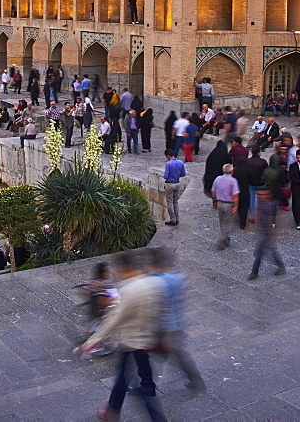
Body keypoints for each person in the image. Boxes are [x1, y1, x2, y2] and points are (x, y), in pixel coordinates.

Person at [80, 250, 167, 422]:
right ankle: (112, 409)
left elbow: (113, 320)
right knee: (135, 379)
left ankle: (119, 411)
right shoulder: (149, 283)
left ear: (122, 268)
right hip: (145, 341)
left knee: (129, 380)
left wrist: (92, 341)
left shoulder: (126, 290)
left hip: (130, 342)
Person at [150, 248, 205, 393]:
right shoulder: (178, 277)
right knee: (177, 353)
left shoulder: (157, 281)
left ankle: (146, 383)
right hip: (177, 324)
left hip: (162, 327)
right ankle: (195, 379)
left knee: (150, 354)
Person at [247, 187, 286, 279]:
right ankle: (281, 266)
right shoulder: (261, 204)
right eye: (259, 195)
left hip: (268, 233)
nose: (260, 196)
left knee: (260, 252)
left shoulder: (271, 205)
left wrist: (280, 231)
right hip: (263, 232)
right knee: (270, 251)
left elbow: (278, 218)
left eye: (262, 194)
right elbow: (258, 215)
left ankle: (254, 272)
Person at [210, 163, 240, 250]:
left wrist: (214, 202)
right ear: (232, 171)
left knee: (222, 221)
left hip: (220, 203)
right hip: (229, 204)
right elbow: (235, 195)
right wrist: (236, 205)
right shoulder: (233, 181)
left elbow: (213, 192)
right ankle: (222, 239)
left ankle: (226, 238)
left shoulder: (217, 179)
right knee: (230, 222)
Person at [163, 151, 187, 226]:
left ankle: (172, 219)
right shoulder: (180, 162)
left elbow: (166, 176)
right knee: (175, 201)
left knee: (170, 202)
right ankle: (177, 218)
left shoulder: (168, 164)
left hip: (170, 184)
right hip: (177, 183)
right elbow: (183, 174)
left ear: (168, 156)